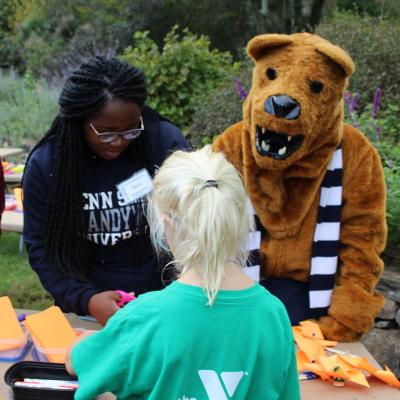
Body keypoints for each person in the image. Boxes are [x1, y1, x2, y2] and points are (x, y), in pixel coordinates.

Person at [65, 146, 300, 400]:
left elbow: (78, 364)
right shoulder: (274, 314)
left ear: (166, 223)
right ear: (239, 218)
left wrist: (82, 344)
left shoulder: (144, 318)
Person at [23, 57, 190, 325]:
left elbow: (197, 222)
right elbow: (41, 249)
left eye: (131, 129)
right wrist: (86, 298)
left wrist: (184, 289)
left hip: (167, 302)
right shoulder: (48, 164)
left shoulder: (164, 142)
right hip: (87, 309)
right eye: (106, 133)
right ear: (80, 121)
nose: (120, 141)